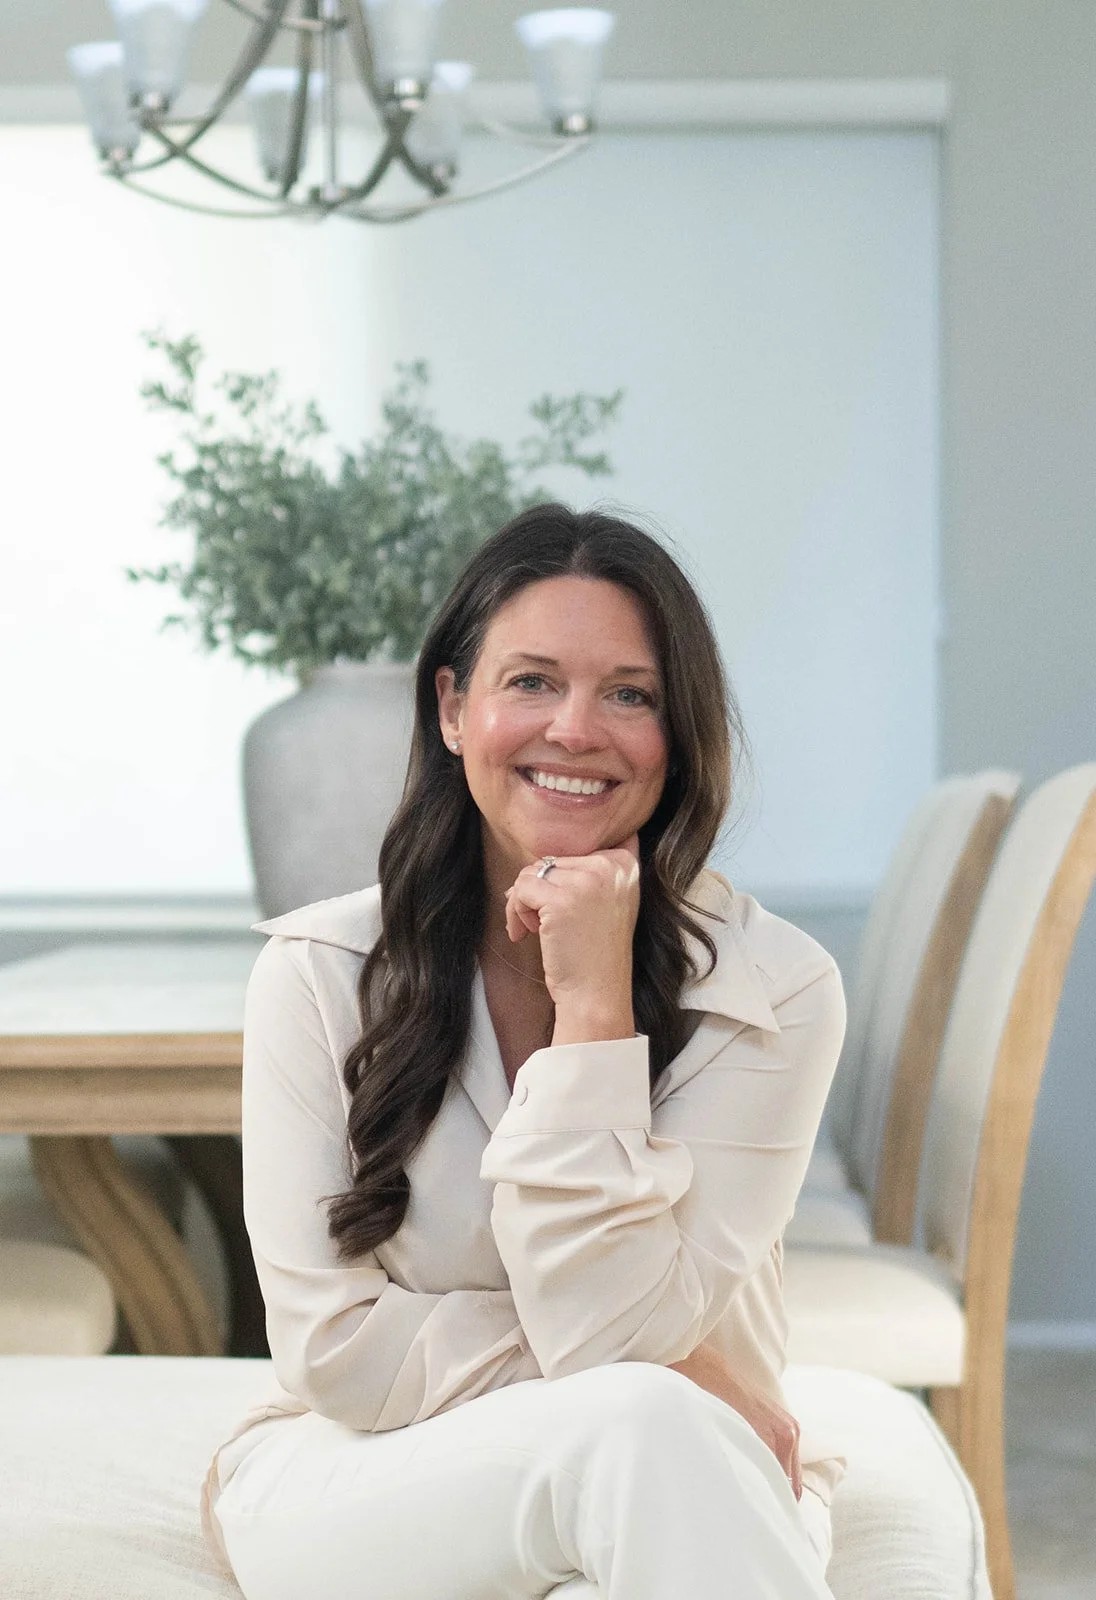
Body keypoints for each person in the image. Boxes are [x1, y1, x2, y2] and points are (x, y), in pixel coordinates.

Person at [203, 503, 847, 1600]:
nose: (576, 728)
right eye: (531, 681)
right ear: (453, 707)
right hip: (366, 1477)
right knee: (645, 1418)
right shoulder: (316, 974)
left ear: (677, 734)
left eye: (629, 694)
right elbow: (337, 1352)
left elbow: (615, 1337)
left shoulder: (774, 990)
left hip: (693, 1474)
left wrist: (592, 1005)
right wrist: (683, 1371)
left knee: (645, 1472)